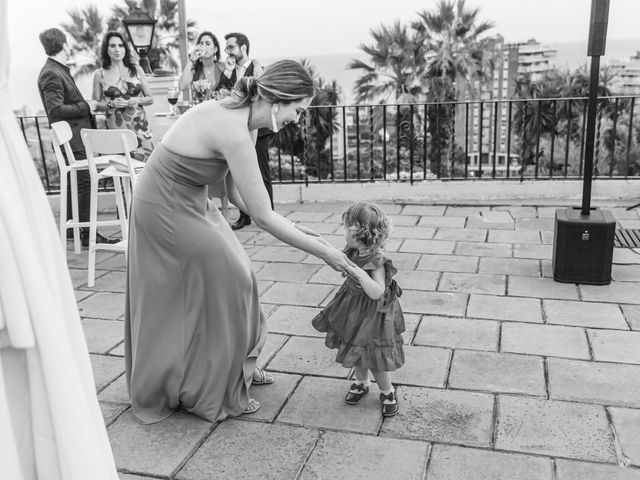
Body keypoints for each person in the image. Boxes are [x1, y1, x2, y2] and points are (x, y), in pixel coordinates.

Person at [125, 59, 354, 424]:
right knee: (227, 279)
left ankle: (238, 365)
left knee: (242, 274)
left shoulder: (246, 121)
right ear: (279, 101)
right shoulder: (233, 127)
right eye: (299, 109)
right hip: (163, 205)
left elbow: (239, 195)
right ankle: (214, 386)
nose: (298, 118)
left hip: (191, 198)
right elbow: (263, 216)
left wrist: (299, 228)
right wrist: (329, 254)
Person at [312, 202, 405, 417]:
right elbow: (335, 257)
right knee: (355, 348)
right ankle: (361, 382)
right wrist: (316, 240)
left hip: (372, 316)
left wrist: (359, 273)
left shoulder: (377, 260)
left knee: (373, 355)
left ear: (358, 232)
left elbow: (377, 291)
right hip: (353, 310)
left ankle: (387, 391)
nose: (344, 232)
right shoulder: (354, 251)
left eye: (346, 228)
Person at [37, 27, 117, 248]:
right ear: (64, 45)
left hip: (74, 139)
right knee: (84, 182)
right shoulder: (52, 72)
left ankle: (76, 230)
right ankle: (86, 232)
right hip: (73, 140)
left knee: (78, 183)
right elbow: (55, 111)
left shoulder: (56, 69)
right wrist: (86, 106)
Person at [217, 32, 272, 230]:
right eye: (226, 48)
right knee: (240, 174)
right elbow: (218, 93)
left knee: (261, 172)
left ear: (243, 48)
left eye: (231, 47)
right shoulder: (228, 69)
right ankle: (245, 216)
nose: (228, 52)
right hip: (237, 130)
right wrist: (227, 72)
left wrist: (257, 67)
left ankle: (268, 213)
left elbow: (264, 94)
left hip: (258, 129)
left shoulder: (258, 68)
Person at [92, 31, 154, 160]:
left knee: (146, 167)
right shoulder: (100, 74)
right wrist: (111, 104)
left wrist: (137, 100)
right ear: (106, 49)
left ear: (125, 48)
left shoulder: (136, 70)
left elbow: (150, 99)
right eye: (112, 46)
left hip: (140, 128)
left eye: (121, 45)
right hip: (115, 130)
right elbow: (95, 105)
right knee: (119, 170)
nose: (117, 49)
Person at [178, 31, 224, 100]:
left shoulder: (223, 67)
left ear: (215, 49)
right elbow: (182, 86)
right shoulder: (195, 71)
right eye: (201, 44)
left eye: (207, 44)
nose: (203, 46)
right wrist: (191, 60)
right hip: (200, 109)